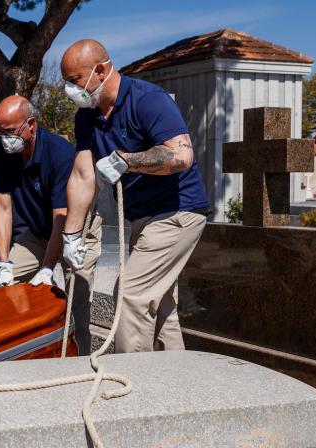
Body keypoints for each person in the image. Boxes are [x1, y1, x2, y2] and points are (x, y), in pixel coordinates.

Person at [60, 39, 209, 354]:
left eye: (74, 81)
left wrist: (127, 161)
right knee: (159, 302)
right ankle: (180, 381)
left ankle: (135, 387)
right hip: (143, 216)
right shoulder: (87, 116)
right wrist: (71, 235)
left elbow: (181, 156)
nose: (69, 90)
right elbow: (82, 175)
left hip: (177, 212)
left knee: (130, 295)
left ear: (100, 70)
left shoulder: (147, 100)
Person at [0, 95, 102, 355]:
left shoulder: (60, 154)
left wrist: (47, 267)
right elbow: (2, 208)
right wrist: (3, 262)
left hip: (75, 231)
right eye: (0, 132)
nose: (5, 140)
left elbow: (62, 217)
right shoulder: (2, 153)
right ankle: (22, 352)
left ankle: (80, 358)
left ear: (31, 124)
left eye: (10, 132)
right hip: (36, 232)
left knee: (77, 300)